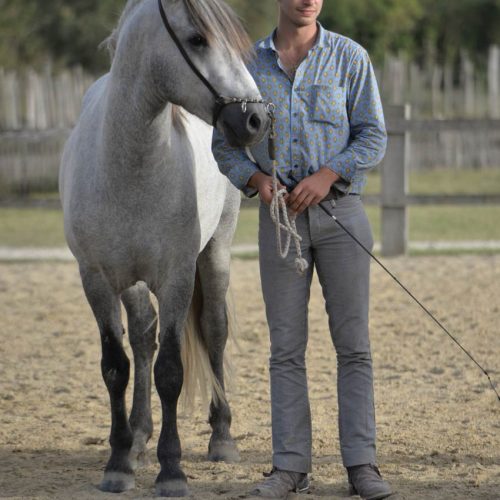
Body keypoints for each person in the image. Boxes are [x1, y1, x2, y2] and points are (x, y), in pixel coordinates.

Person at [212, 1, 393, 498]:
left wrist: (328, 174)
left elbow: (373, 135)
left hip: (343, 215)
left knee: (354, 347)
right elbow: (224, 145)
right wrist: (254, 179)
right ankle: (289, 467)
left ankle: (363, 465)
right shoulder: (247, 67)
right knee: (285, 350)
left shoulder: (350, 58)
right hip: (278, 223)